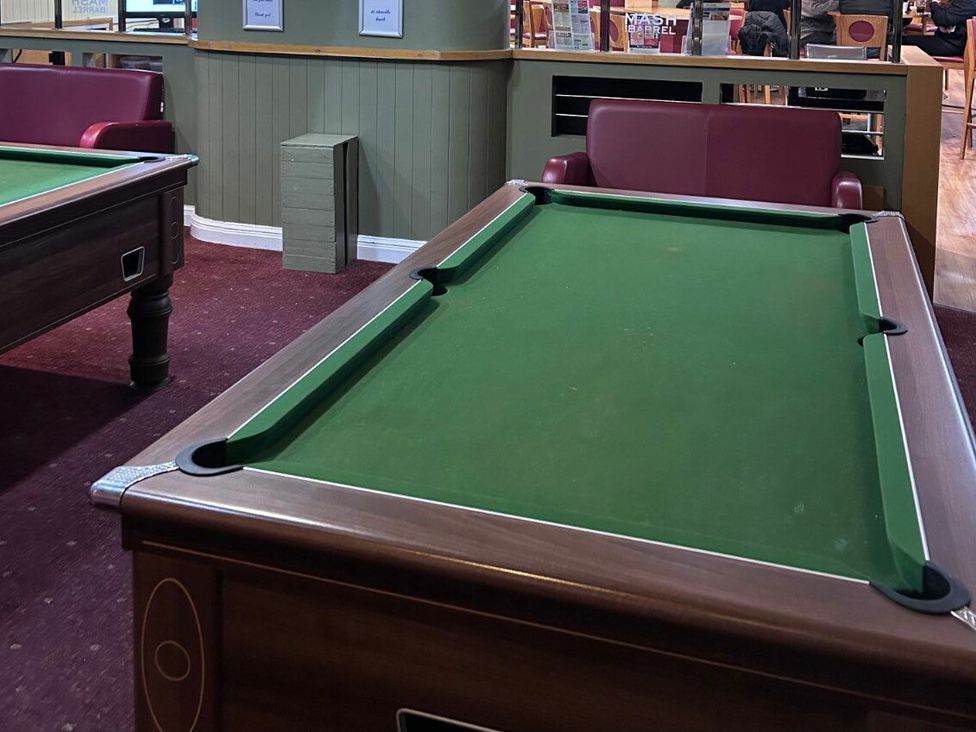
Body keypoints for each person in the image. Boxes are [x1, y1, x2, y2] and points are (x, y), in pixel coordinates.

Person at [904, 0, 976, 56]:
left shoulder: (969, 2)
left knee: (903, 41)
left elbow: (942, 19)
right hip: (947, 40)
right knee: (902, 40)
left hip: (954, 45)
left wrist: (934, 3)